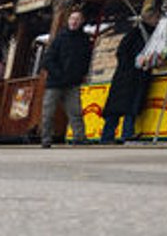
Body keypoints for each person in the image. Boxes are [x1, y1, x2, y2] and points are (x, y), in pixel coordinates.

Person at [100, 9, 157, 144]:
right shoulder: (136, 34)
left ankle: (126, 133)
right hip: (127, 76)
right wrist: (134, 62)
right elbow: (122, 52)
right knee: (119, 108)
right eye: (156, 18)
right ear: (150, 19)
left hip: (136, 76)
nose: (158, 21)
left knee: (130, 107)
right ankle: (109, 136)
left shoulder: (149, 35)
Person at [39, 8, 93, 147]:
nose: (74, 22)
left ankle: (79, 137)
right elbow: (47, 60)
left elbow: (86, 59)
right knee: (48, 111)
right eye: (72, 19)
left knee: (75, 111)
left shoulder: (85, 40)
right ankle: (46, 138)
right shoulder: (60, 38)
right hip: (55, 81)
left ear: (82, 22)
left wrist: (83, 74)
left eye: (77, 19)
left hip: (73, 82)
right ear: (69, 21)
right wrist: (58, 73)